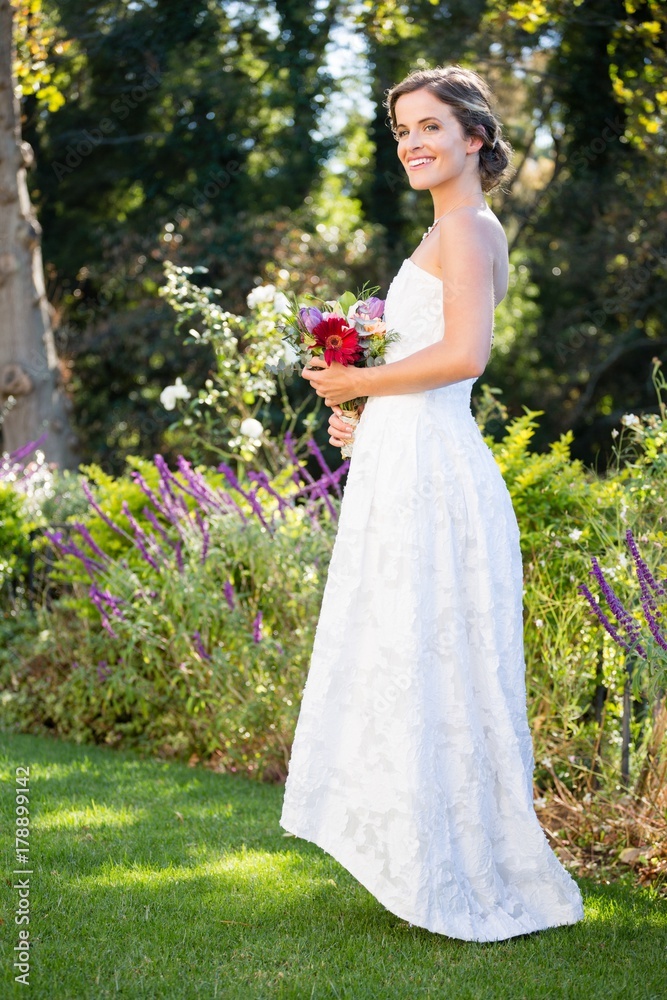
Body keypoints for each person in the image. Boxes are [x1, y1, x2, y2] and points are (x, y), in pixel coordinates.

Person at [279, 65, 584, 942]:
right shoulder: (449, 227)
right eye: (402, 130)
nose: (411, 143)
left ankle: (460, 868)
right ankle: (427, 855)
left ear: (474, 139)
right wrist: (366, 415)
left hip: (436, 472)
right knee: (410, 651)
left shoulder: (466, 226)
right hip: (404, 459)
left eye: (429, 128)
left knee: (434, 650)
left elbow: (464, 355)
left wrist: (355, 378)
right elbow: (427, 367)